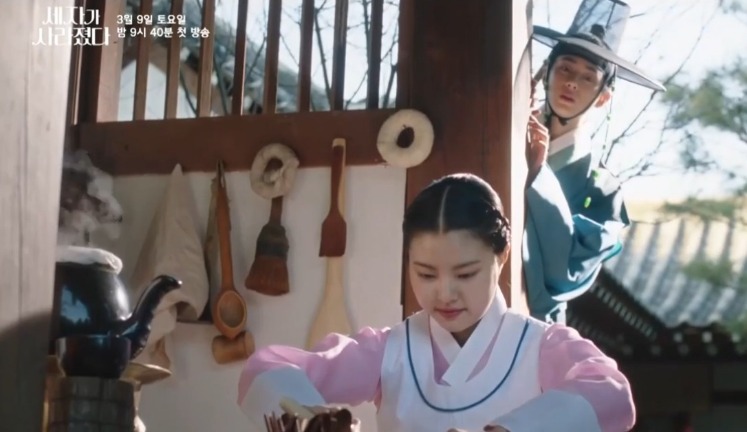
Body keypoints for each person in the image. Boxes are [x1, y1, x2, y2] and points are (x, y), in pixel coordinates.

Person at [237, 173, 635, 432]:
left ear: (502, 256)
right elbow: (266, 367)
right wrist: (311, 416)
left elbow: (611, 393)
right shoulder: (390, 351)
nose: (444, 293)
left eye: (465, 274)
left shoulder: (539, 346)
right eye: (426, 274)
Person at [523, 0, 666, 323]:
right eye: (565, 68)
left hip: (533, 325)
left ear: (603, 97)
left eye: (588, 77)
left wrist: (537, 173)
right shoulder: (506, 137)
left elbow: (565, 274)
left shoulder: (604, 190)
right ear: (546, 74)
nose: (572, 82)